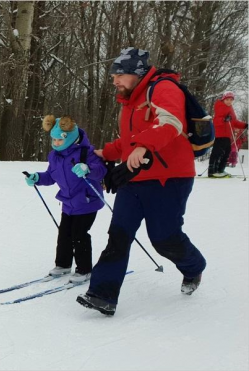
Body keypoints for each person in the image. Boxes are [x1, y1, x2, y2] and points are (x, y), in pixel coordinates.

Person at [76, 47, 207, 316]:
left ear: (136, 74)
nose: (115, 81)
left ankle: (194, 267)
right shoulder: (130, 103)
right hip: (134, 178)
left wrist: (144, 146)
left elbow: (171, 123)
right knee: (119, 236)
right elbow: (128, 142)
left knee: (164, 238)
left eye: (120, 76)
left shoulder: (163, 88)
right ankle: (102, 295)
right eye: (113, 77)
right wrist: (105, 152)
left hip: (169, 178)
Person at [24, 115, 106, 283]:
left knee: (79, 234)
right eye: (53, 139)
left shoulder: (86, 152)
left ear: (69, 137)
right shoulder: (54, 156)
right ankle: (63, 265)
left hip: (87, 201)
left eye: (59, 140)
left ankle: (84, 270)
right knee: (64, 234)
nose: (56, 143)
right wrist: (37, 178)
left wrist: (87, 168)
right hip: (68, 203)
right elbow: (50, 176)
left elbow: (101, 171)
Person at [208, 91, 248, 177]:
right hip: (220, 135)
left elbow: (234, 122)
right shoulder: (220, 107)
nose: (229, 101)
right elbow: (216, 121)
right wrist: (224, 119)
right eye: (227, 99)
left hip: (227, 136)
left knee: (227, 152)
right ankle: (213, 171)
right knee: (218, 152)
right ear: (223, 99)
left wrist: (245, 125)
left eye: (231, 100)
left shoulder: (230, 109)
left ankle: (220, 170)